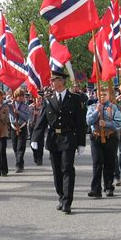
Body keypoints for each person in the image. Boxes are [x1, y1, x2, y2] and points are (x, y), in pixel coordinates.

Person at [30, 71, 86, 214]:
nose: (51, 82)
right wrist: (35, 138)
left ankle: (67, 201)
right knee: (57, 171)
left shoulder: (74, 98)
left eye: (54, 80)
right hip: (54, 138)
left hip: (69, 137)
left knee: (67, 168)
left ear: (61, 81)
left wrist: (81, 142)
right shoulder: (48, 99)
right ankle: (61, 196)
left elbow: (80, 122)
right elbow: (42, 121)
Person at [87, 87, 121, 197]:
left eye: (104, 94)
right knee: (97, 163)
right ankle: (96, 189)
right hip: (96, 137)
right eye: (100, 94)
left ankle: (108, 187)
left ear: (108, 95)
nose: (102, 96)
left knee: (109, 162)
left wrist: (107, 124)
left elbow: (119, 123)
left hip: (110, 137)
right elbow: (88, 121)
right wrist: (97, 112)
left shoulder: (113, 108)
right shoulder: (92, 107)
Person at [8, 88, 30, 173]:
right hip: (13, 127)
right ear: (16, 96)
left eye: (22, 96)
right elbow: (2, 104)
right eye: (19, 96)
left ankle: (18, 165)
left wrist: (18, 112)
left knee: (20, 147)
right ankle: (20, 161)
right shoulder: (11, 104)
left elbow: (27, 117)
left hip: (22, 126)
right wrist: (9, 99)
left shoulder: (25, 106)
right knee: (15, 147)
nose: (21, 98)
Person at [28, 93, 44, 165]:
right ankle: (35, 155)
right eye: (38, 99)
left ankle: (39, 158)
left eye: (40, 99)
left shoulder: (43, 108)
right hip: (32, 126)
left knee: (40, 143)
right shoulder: (30, 107)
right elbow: (28, 117)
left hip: (40, 127)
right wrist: (34, 113)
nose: (39, 101)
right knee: (32, 142)